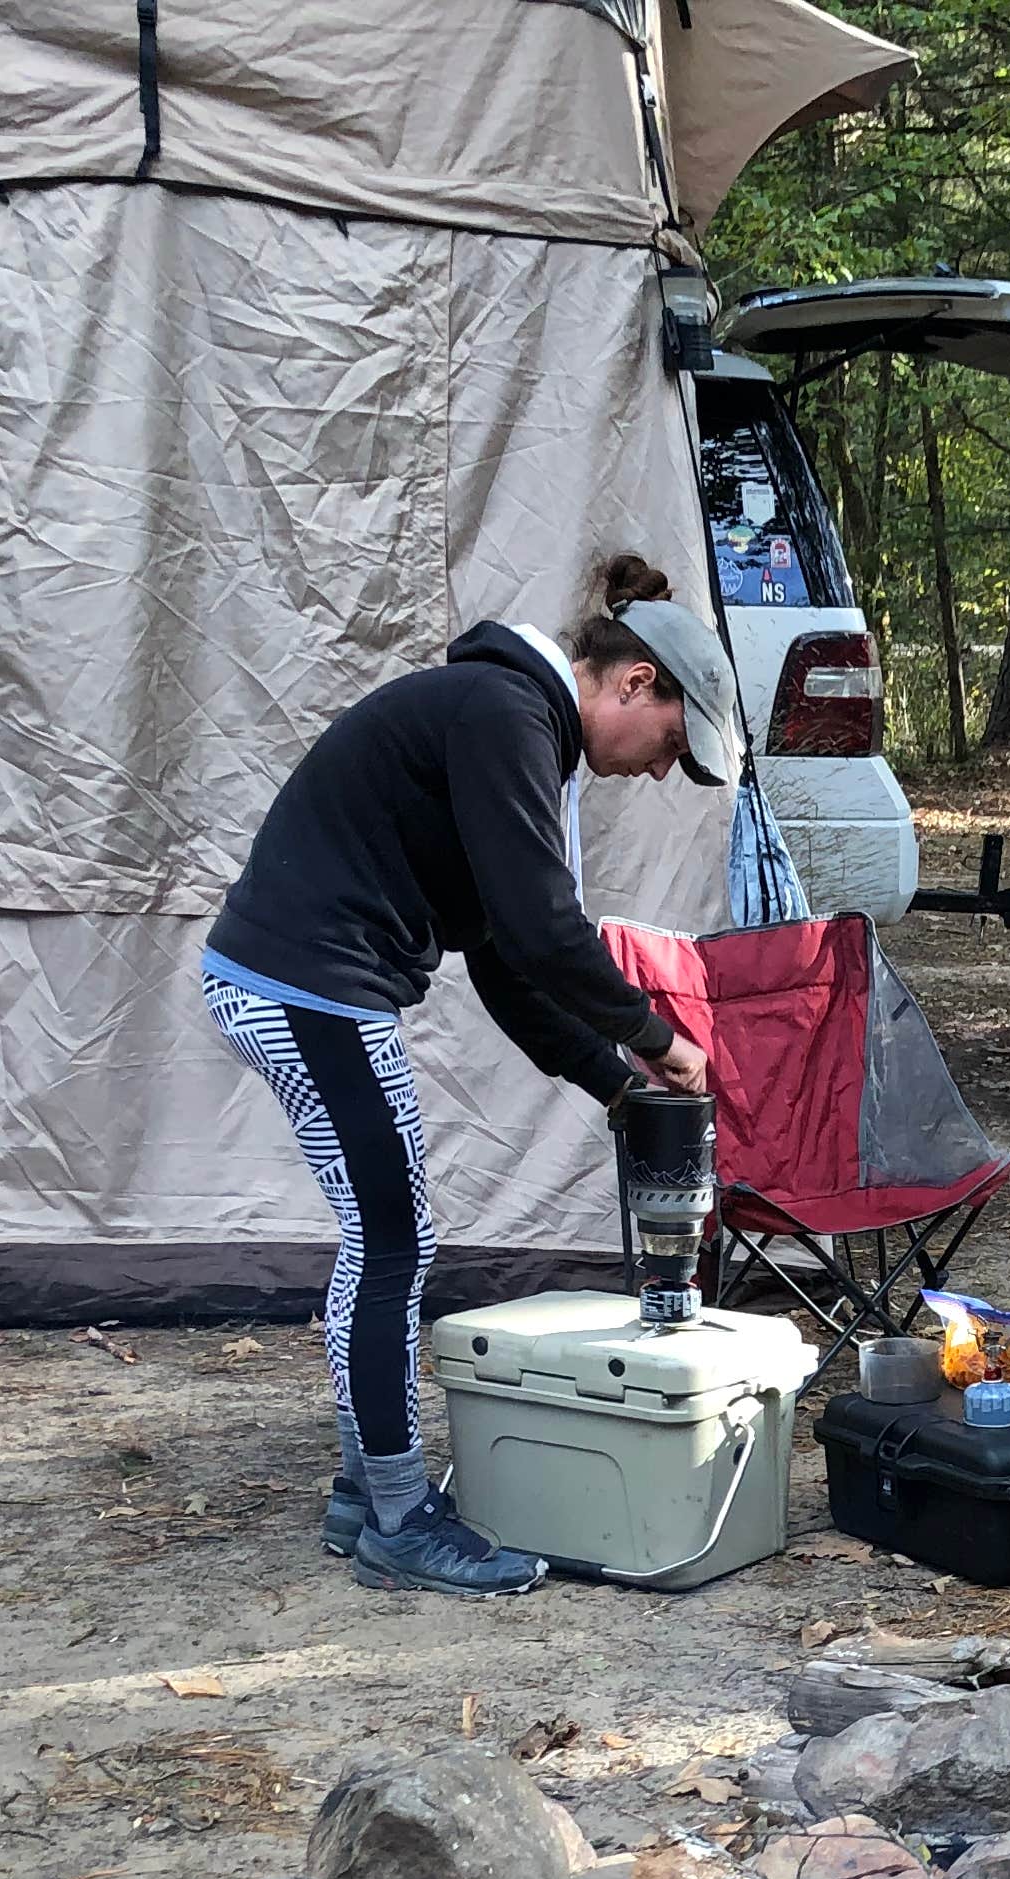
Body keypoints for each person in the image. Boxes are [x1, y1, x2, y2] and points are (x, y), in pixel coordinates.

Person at [203, 553, 741, 1596]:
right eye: (673, 742)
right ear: (633, 684)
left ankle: (370, 1495)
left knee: (387, 1235)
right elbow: (546, 933)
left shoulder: (508, 724)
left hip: (298, 980)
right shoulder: (507, 716)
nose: (661, 770)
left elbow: (503, 956)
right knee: (393, 1240)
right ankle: (399, 1517)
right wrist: (654, 1035)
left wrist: (617, 1084)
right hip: (309, 981)